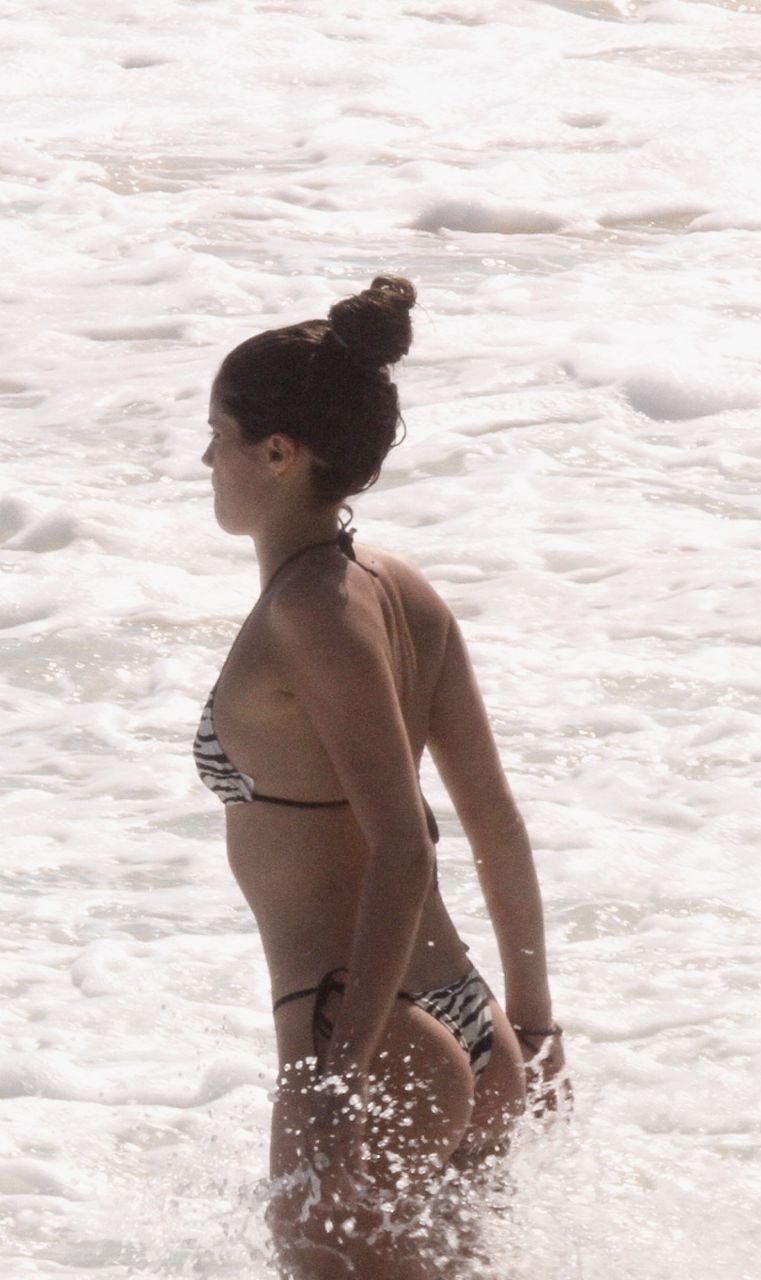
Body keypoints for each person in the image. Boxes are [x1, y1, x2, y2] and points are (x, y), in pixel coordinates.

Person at [195, 277, 564, 1277]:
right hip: (467, 1019)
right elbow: (495, 817)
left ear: (279, 453)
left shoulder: (309, 613)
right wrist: (531, 1022)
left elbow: (408, 844)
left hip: (367, 1031)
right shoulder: (397, 586)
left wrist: (338, 1077)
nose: (206, 459)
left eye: (219, 434)